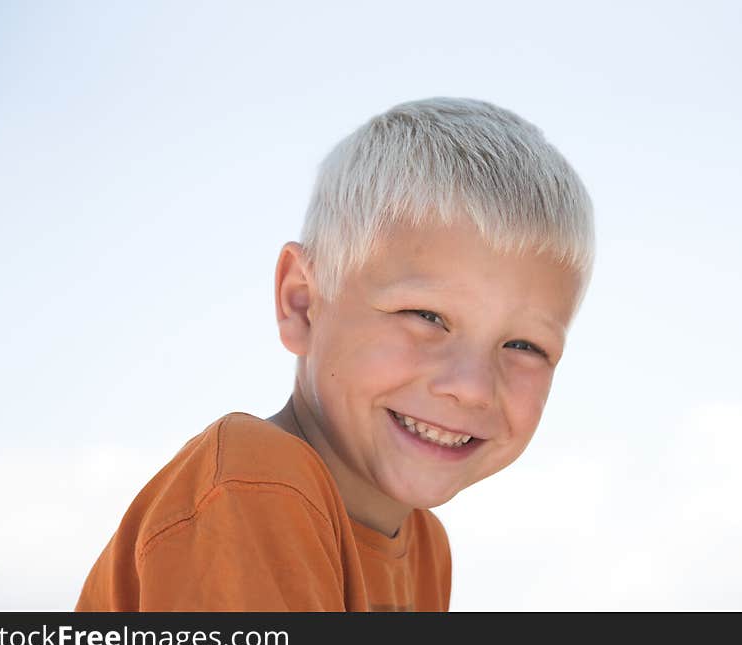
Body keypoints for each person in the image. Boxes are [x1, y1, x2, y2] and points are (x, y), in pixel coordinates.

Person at [75, 97, 595, 611]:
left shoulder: (424, 547)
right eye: (427, 317)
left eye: (524, 345)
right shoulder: (256, 485)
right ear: (301, 302)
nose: (473, 385)